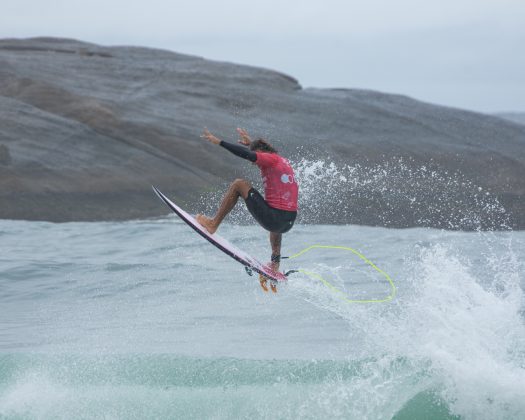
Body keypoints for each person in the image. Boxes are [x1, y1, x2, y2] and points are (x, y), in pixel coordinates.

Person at [198, 128, 298, 292]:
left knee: (239, 184)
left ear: (261, 152)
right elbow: (258, 153)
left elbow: (248, 155)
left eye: (256, 158)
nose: (254, 163)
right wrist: (251, 143)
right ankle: (275, 263)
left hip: (275, 219)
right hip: (287, 222)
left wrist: (220, 142)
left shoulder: (270, 160)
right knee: (275, 208)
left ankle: (212, 224)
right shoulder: (281, 161)